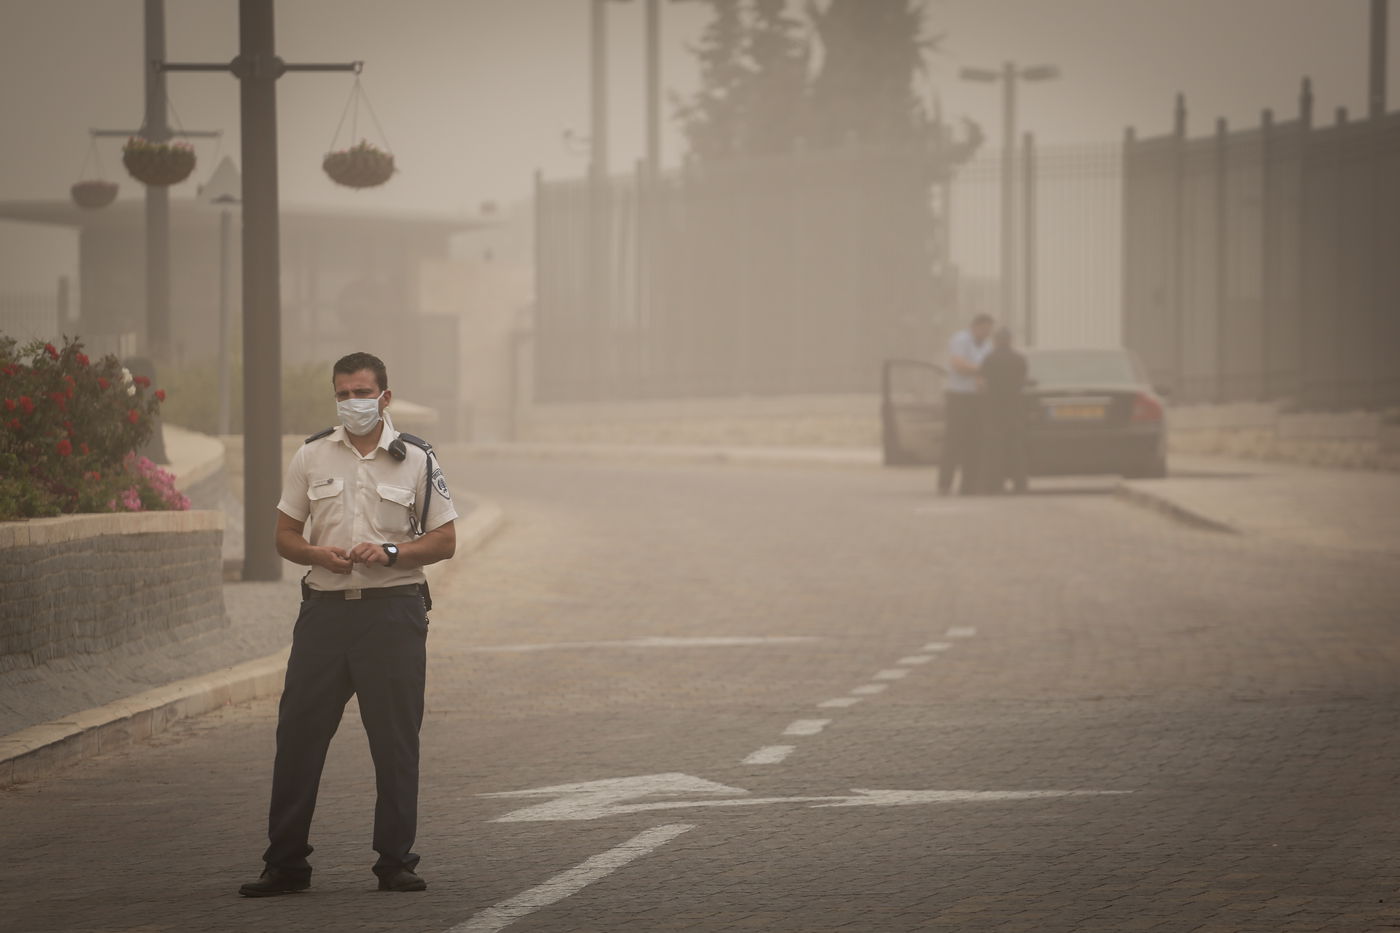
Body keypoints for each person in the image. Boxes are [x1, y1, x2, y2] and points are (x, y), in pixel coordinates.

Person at [239, 352, 458, 897]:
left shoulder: (417, 459)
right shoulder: (312, 456)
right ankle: (285, 864)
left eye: (361, 392)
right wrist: (316, 552)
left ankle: (395, 862)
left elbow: (445, 540)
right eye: (342, 393)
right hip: (324, 617)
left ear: (384, 396)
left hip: (392, 614)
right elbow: (284, 534)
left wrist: (389, 550)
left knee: (394, 742)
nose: (352, 402)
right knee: (298, 740)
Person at [939, 313, 995, 495]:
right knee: (954, 441)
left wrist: (981, 374)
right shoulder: (961, 339)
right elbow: (958, 365)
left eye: (989, 330)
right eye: (985, 329)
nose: (987, 333)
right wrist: (982, 371)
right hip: (958, 397)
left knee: (974, 442)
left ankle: (968, 485)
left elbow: (983, 369)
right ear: (976, 326)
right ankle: (945, 484)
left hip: (977, 398)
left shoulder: (987, 345)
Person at [977, 327, 1030, 494]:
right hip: (1014, 409)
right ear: (1010, 340)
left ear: (995, 341)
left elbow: (982, 383)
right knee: (1016, 449)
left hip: (994, 410)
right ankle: (1020, 485)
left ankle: (994, 485)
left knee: (994, 449)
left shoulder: (989, 359)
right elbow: (1023, 381)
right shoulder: (1019, 359)